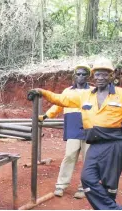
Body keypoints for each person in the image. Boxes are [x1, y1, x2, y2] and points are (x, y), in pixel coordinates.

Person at [27, 58, 122, 210]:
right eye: (98, 75)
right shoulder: (85, 95)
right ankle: (114, 209)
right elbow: (60, 99)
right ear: (94, 76)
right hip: (94, 142)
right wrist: (41, 92)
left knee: (110, 183)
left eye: (104, 75)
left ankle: (107, 207)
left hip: (114, 143)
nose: (100, 78)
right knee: (87, 178)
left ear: (112, 76)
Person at [44, 63, 93, 199]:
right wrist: (46, 116)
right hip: (73, 127)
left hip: (89, 128)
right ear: (74, 76)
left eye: (84, 74)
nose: (81, 76)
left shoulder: (94, 91)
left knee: (88, 158)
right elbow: (57, 105)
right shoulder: (67, 92)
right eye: (78, 74)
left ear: (88, 76)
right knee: (69, 155)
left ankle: (84, 187)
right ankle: (61, 185)